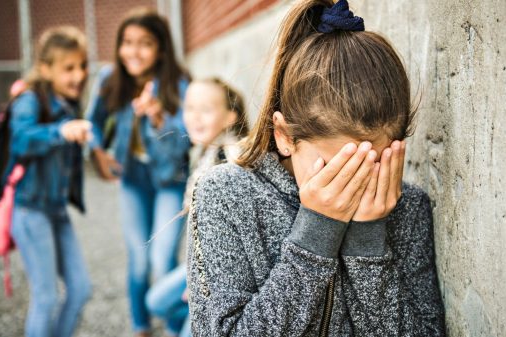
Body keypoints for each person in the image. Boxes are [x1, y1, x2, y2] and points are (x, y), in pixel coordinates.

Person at [187, 0, 446, 336]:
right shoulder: (224, 195)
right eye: (336, 168)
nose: (353, 186)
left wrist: (368, 240)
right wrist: (316, 234)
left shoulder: (406, 207)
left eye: (372, 164)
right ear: (284, 137)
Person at [85, 8, 190, 336]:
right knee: (140, 259)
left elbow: (186, 141)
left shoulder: (179, 83)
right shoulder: (109, 79)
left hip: (171, 180)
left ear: (161, 48)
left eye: (145, 43)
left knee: (162, 259)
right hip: (133, 180)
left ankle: (176, 327)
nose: (134, 51)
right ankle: (140, 325)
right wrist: (97, 152)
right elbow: (93, 122)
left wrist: (159, 118)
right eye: (127, 42)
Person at [146, 78, 248, 337]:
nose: (195, 117)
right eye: (189, 108)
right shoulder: (203, 154)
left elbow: (236, 235)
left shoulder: (231, 160)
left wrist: (201, 283)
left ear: (229, 117)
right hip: (201, 264)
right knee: (155, 302)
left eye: (206, 109)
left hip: (223, 273)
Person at [8, 26, 92, 337]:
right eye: (68, 68)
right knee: (45, 297)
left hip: (56, 211)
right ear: (45, 69)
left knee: (81, 289)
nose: (79, 75)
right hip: (30, 211)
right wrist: (60, 131)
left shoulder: (69, 103)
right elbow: (20, 140)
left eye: (82, 66)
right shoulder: (30, 100)